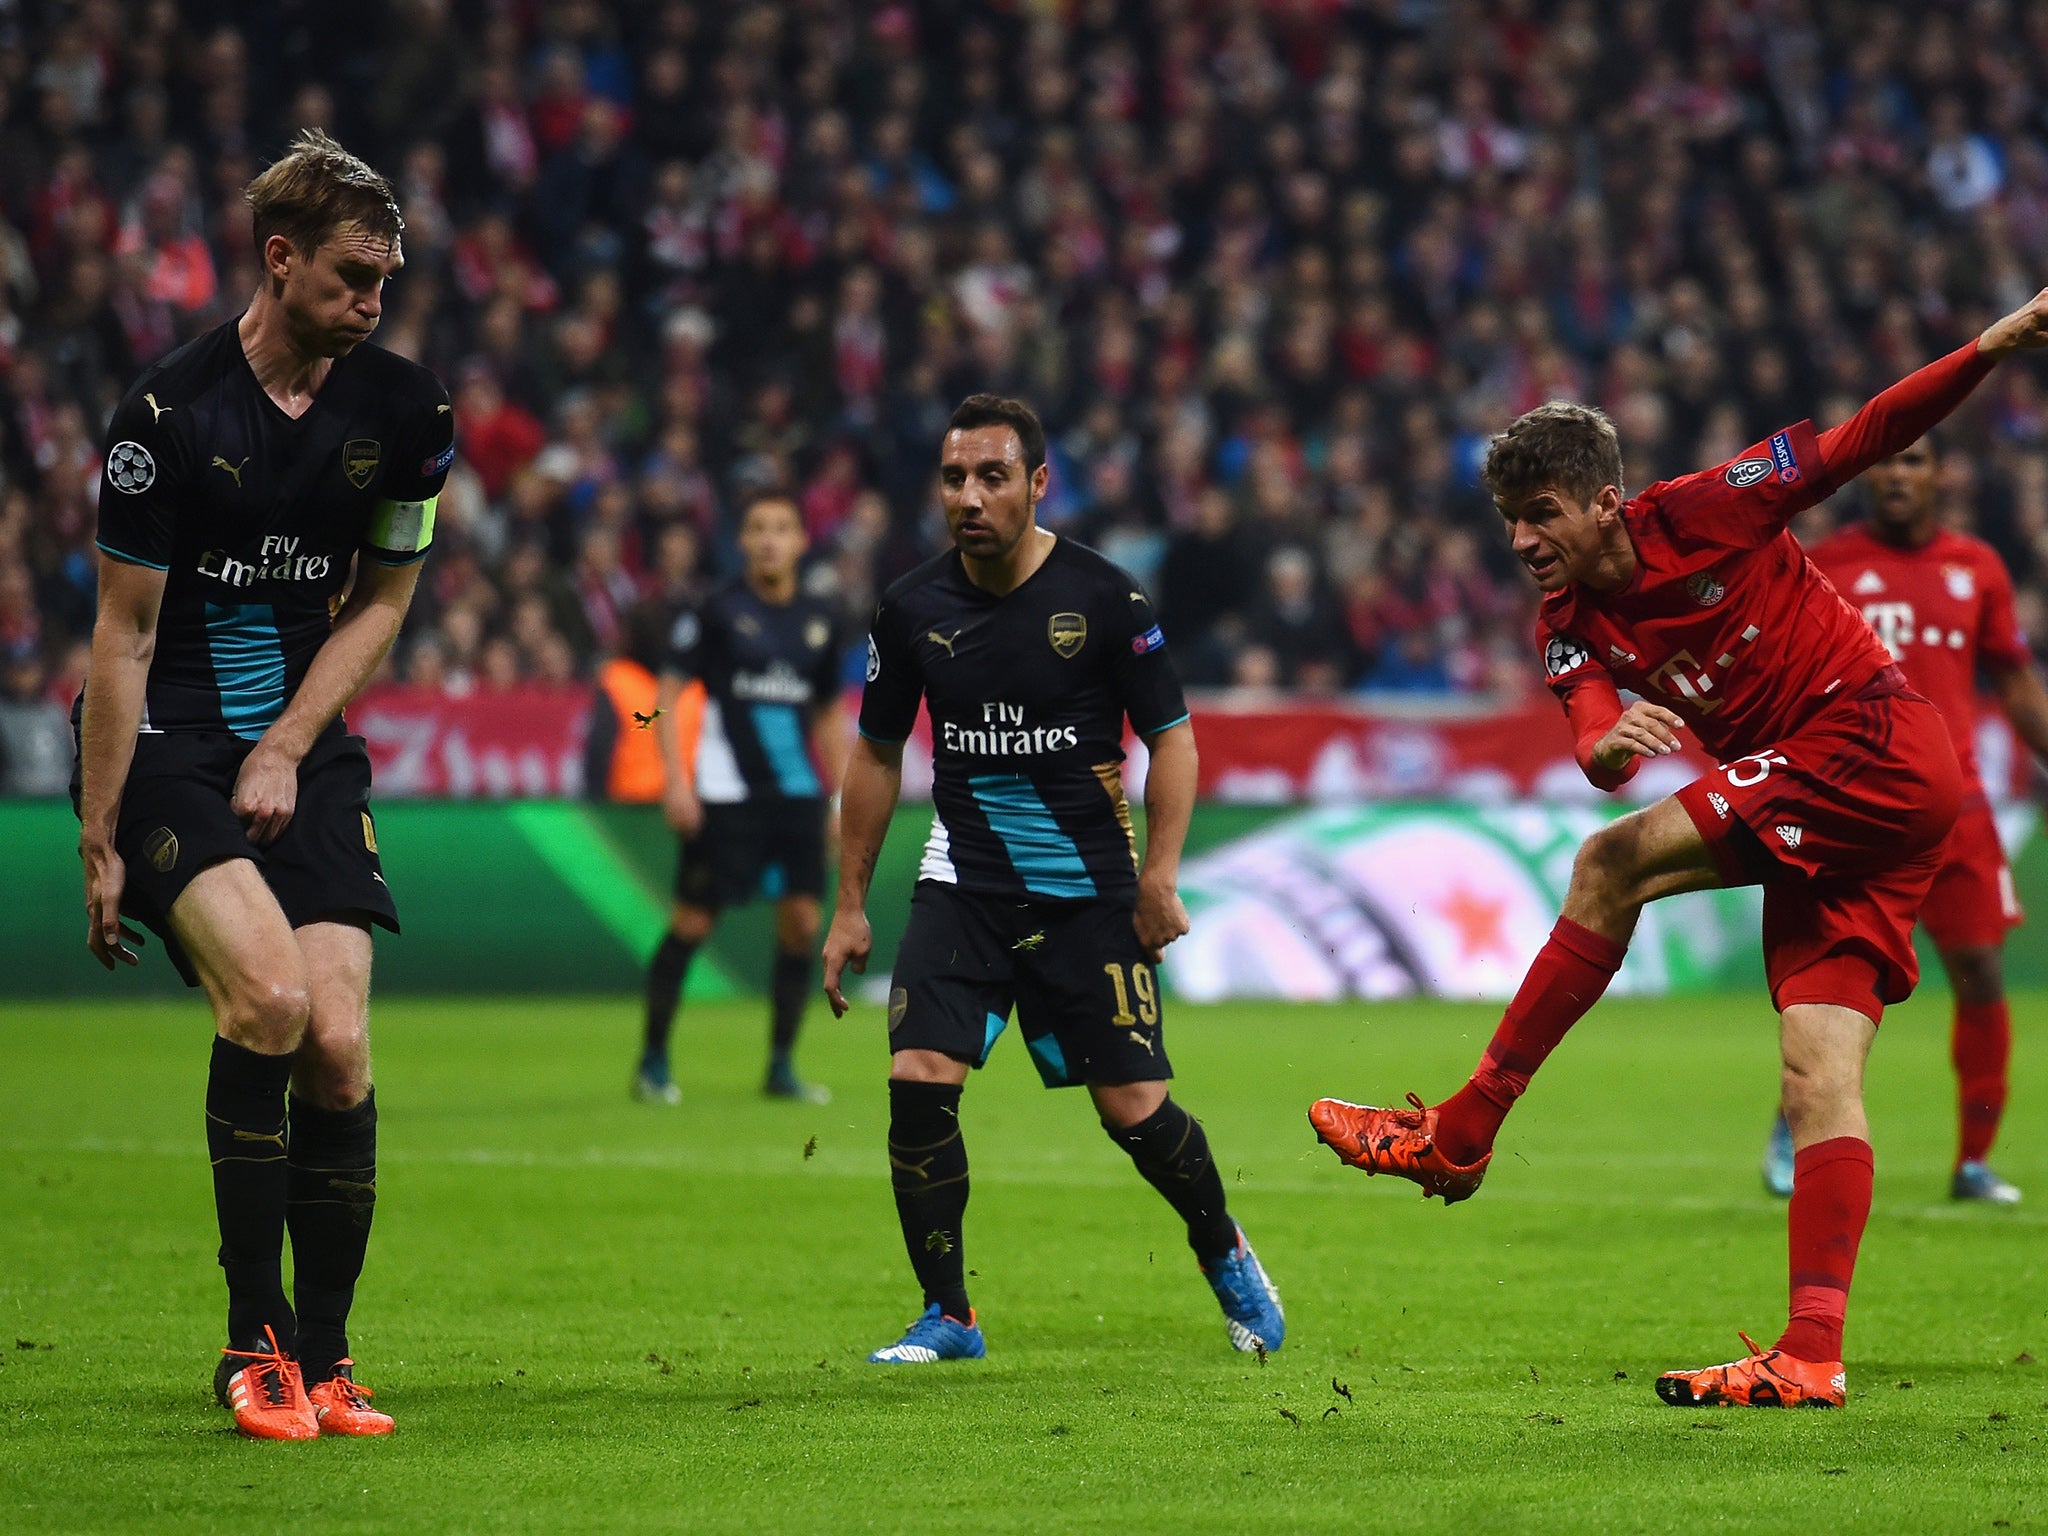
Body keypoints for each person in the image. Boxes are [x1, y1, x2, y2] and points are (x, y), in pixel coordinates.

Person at [1308, 291, 2048, 1410]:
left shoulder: (1709, 507)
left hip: (1869, 741)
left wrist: (1987, 346)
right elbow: (1593, 741)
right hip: (1840, 815)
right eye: (1508, 520)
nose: (1521, 542)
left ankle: (1462, 1132)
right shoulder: (1566, 619)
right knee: (1814, 1079)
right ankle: (1808, 1354)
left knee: (1609, 865)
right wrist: (1606, 747)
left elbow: (1862, 435)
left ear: (1605, 503)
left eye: (1541, 513)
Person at [74, 130, 452, 1441]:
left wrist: (292, 743)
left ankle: (331, 1361)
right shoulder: (164, 421)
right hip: (173, 741)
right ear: (280, 260)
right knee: (274, 1003)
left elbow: (388, 598)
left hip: (304, 746)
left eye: (389, 282)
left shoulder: (408, 416)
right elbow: (119, 641)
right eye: (354, 276)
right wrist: (99, 828)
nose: (374, 303)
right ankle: (253, 1343)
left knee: (341, 1049)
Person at [823, 393, 1284, 1365]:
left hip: (1087, 895)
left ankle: (1222, 1247)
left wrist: (1159, 874)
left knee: (1134, 1114)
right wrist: (851, 905)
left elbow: (1173, 741)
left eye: (991, 477)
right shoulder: (909, 609)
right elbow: (872, 756)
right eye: (953, 478)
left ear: (1037, 485)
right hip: (964, 885)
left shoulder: (1106, 602)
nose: (969, 497)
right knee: (916, 1081)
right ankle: (948, 1314)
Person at [1754, 435, 2048, 1204]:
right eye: (1887, 462)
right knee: (1830, 985)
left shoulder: (1976, 566)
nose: (1896, 475)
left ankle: (1974, 1161)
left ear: (1940, 475)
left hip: (1961, 806)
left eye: (1914, 461)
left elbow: (2015, 684)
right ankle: (1793, 1123)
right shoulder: (1826, 562)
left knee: (1981, 972)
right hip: (1855, 804)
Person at [638, 491, 847, 1105]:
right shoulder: (714, 610)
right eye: (757, 527)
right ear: (742, 539)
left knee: (803, 924)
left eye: (782, 528)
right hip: (726, 795)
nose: (769, 539)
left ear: (803, 540)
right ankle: (653, 1060)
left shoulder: (820, 618)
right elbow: (665, 696)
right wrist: (675, 779)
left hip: (798, 796)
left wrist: (839, 802)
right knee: (693, 921)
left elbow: (830, 715)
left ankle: (781, 1065)